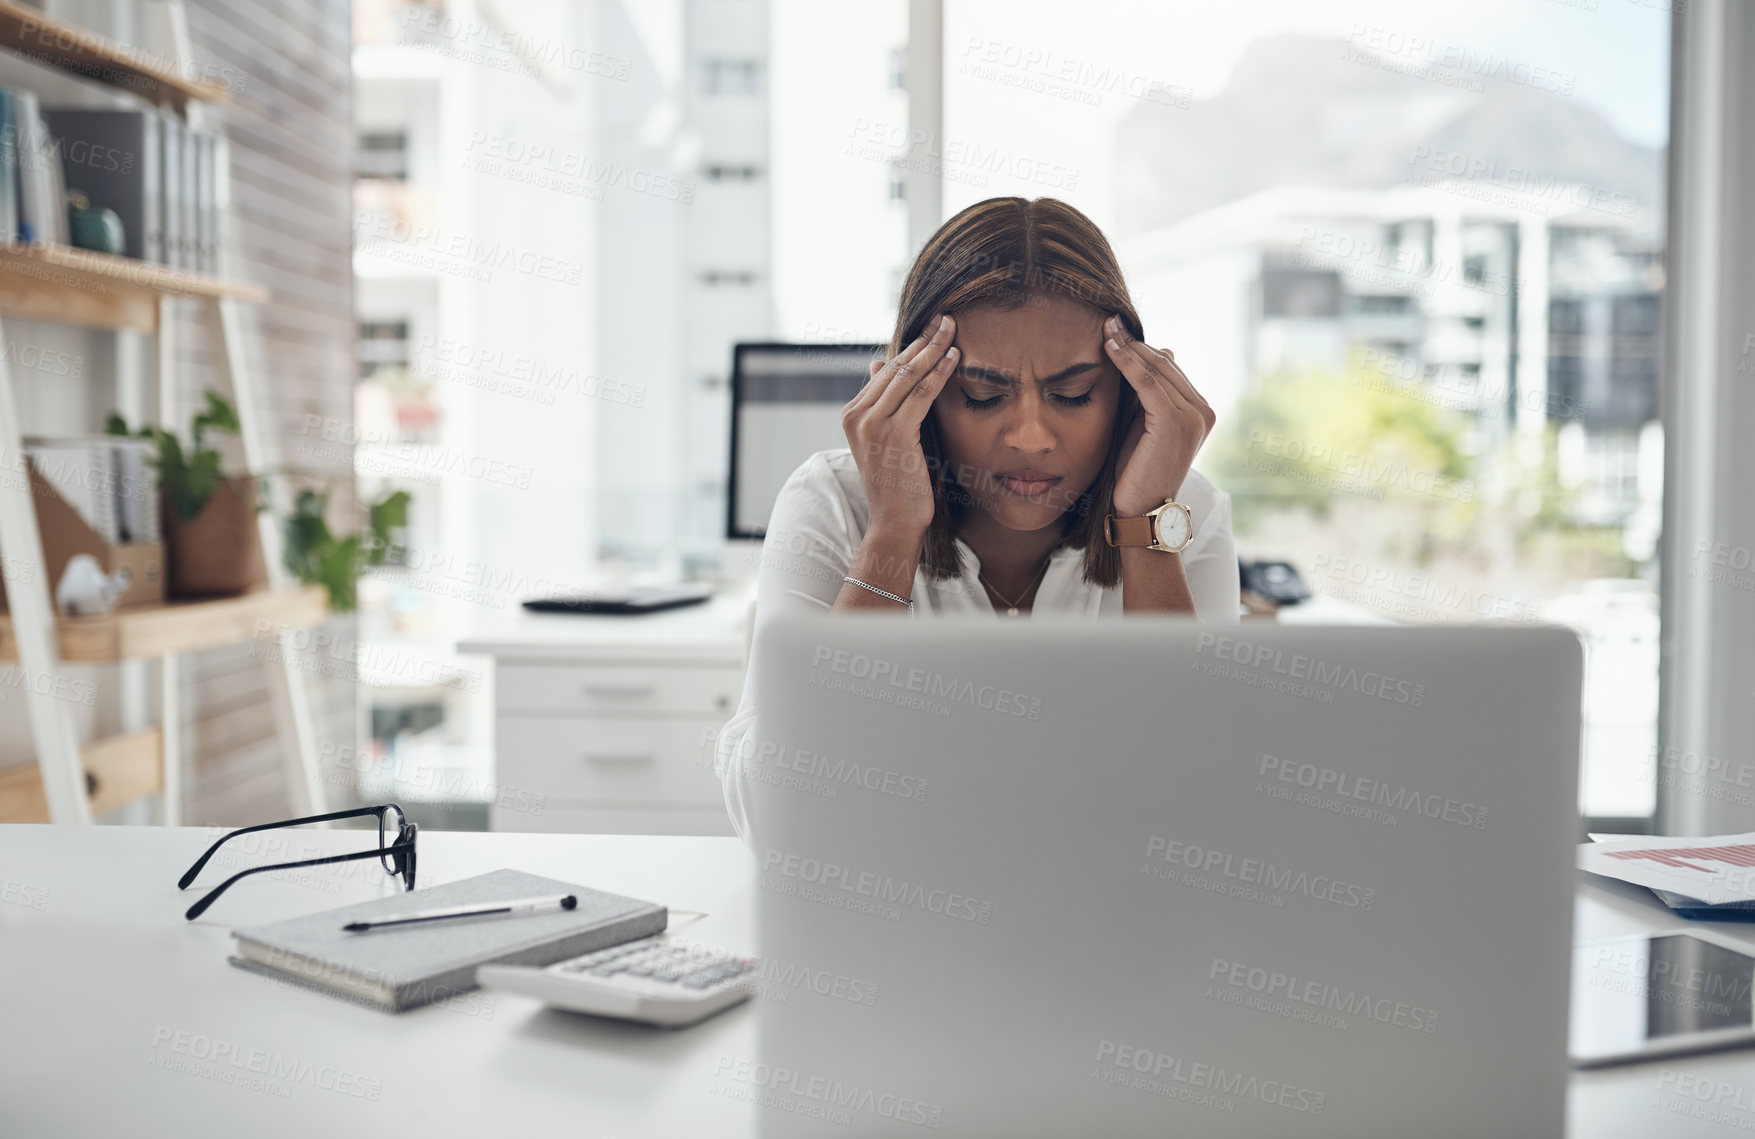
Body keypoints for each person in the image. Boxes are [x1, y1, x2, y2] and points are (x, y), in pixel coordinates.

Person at [714, 196, 1239, 841]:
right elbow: (775, 812)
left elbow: (1202, 805)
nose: (1030, 438)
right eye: (983, 397)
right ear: (919, 397)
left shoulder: (1185, 512)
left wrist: (1147, 533)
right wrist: (892, 532)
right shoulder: (831, 501)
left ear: (1127, 395)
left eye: (1073, 395)